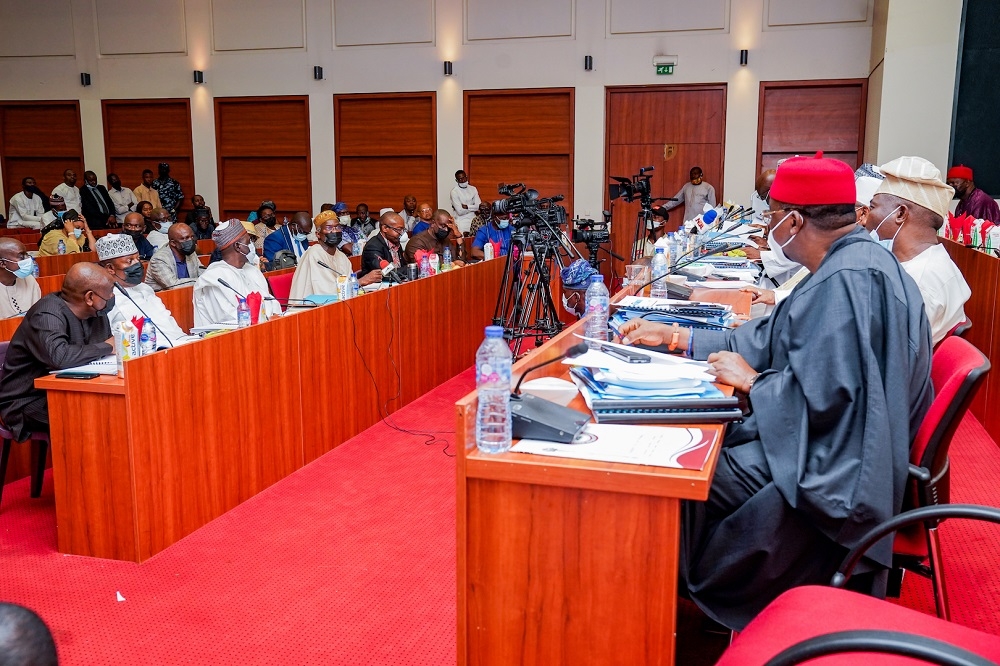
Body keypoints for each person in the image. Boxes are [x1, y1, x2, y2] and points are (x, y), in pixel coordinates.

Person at [619, 152, 934, 631]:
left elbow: (829, 399)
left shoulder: (849, 281)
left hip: (830, 469)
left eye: (770, 215)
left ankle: (654, 615)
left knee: (676, 468)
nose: (767, 227)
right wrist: (679, 337)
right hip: (834, 446)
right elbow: (772, 340)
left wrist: (753, 382)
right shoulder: (853, 262)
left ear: (792, 219)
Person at [0, 262, 115, 441]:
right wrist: (108, 346)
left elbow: (101, 356)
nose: (112, 296)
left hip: (73, 390)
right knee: (94, 419)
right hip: (28, 400)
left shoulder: (97, 313)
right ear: (90, 297)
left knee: (114, 409)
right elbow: (59, 357)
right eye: (109, 291)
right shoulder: (47, 314)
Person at [867, 156, 971, 345]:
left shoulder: (919, 282)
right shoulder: (930, 261)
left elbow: (885, 358)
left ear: (900, 214)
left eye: (872, 207)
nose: (866, 218)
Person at [96, 234, 188, 343]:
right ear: (110, 268)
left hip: (178, 344)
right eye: (130, 261)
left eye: (138, 258)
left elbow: (167, 320)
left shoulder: (145, 288)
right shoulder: (104, 299)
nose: (137, 264)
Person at [193, 219, 281, 328]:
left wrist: (272, 317)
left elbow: (271, 301)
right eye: (249, 242)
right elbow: (229, 320)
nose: (252, 246)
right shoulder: (214, 279)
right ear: (238, 246)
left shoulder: (252, 270)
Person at [288, 211, 382, 300]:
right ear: (318, 234)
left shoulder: (341, 256)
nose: (335, 231)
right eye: (329, 228)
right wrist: (361, 281)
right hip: (310, 309)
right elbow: (325, 291)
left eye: (337, 227)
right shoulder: (314, 254)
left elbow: (347, 285)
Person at [145, 222, 203, 291]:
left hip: (187, 294)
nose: (190, 241)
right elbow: (173, 285)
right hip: (164, 298)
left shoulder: (190, 252)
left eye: (192, 236)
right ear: (173, 243)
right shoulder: (159, 259)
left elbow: (201, 271)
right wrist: (203, 280)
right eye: (185, 238)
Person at [0, 237, 42, 318]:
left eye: (27, 254)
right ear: (2, 263)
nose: (28, 259)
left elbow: (38, 314)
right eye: (21, 256)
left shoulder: (29, 279)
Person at [450, 169, 481, 234]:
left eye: (464, 178)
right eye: (460, 179)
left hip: (473, 218)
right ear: (456, 180)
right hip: (461, 220)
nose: (463, 180)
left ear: (466, 177)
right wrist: (473, 208)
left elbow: (478, 206)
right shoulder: (454, 192)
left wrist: (467, 206)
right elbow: (460, 212)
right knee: (464, 240)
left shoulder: (473, 189)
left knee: (475, 239)